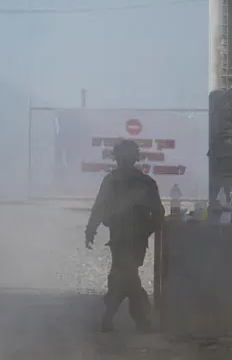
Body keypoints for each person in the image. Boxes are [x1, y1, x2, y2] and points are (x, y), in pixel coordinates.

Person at [84, 140, 165, 332]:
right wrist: (147, 230)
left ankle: (116, 316)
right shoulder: (144, 182)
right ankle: (137, 318)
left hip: (124, 239)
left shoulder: (116, 181)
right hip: (130, 240)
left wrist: (91, 229)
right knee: (126, 276)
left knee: (122, 276)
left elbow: (99, 208)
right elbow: (158, 214)